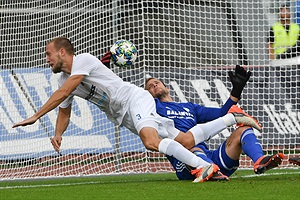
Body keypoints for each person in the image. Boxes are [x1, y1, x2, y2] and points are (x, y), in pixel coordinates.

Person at [12, 37, 257, 182]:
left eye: (49, 54)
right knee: (183, 139)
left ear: (62, 52)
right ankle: (230, 118)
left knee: (150, 142)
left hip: (134, 99)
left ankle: (204, 168)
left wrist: (35, 116)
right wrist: (58, 134)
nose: (47, 59)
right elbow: (64, 109)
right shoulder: (60, 80)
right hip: (123, 115)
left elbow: (64, 93)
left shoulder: (84, 60)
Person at [145, 77, 284, 181]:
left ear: (167, 88)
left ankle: (260, 161)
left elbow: (221, 113)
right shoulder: (154, 108)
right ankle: (208, 170)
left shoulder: (189, 107)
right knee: (193, 149)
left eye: (156, 82)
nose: (154, 85)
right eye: (150, 86)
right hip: (186, 163)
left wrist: (236, 91)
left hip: (211, 157)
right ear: (148, 95)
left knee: (243, 128)